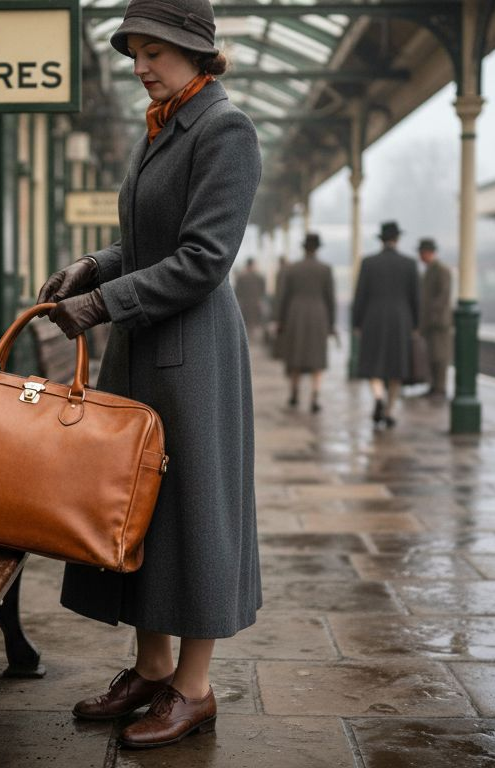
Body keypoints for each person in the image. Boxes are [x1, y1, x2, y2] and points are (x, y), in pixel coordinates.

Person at [33, 0, 262, 749]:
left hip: (192, 354)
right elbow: (147, 239)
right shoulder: (164, 124)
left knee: (196, 512)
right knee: (141, 509)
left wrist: (101, 302)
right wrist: (92, 265)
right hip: (143, 347)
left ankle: (194, 689)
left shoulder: (225, 130)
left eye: (154, 53)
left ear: (197, 52)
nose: (141, 67)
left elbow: (202, 258)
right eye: (134, 53)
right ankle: (152, 667)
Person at [352, 221, 420, 428]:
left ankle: (378, 396)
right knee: (396, 366)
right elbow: (416, 298)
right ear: (397, 239)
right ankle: (389, 410)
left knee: (374, 363)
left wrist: (357, 322)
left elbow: (360, 296)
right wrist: (416, 324)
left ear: (381, 240)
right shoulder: (409, 264)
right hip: (401, 319)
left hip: (374, 317)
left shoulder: (368, 262)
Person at [275, 232, 337, 412]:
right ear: (318, 248)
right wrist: (331, 324)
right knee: (317, 358)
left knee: (295, 356)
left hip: (295, 316)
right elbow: (330, 299)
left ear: (304, 248)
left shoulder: (292, 268)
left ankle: (294, 393)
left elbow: (283, 297)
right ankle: (315, 396)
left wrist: (279, 319)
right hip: (319, 315)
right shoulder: (325, 269)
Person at [417, 238, 453, 400]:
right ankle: (433, 386)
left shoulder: (442, 270)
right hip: (430, 322)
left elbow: (442, 296)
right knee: (432, 355)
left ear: (428, 253)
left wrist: (432, 316)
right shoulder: (429, 270)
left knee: (440, 356)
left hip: (438, 322)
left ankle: (440, 388)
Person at [233, 258, 267, 341]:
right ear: (253, 265)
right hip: (255, 302)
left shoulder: (241, 277)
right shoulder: (259, 277)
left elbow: (237, 291)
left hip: (245, 303)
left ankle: (248, 338)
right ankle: (253, 338)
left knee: (246, 320)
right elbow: (263, 290)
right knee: (254, 320)